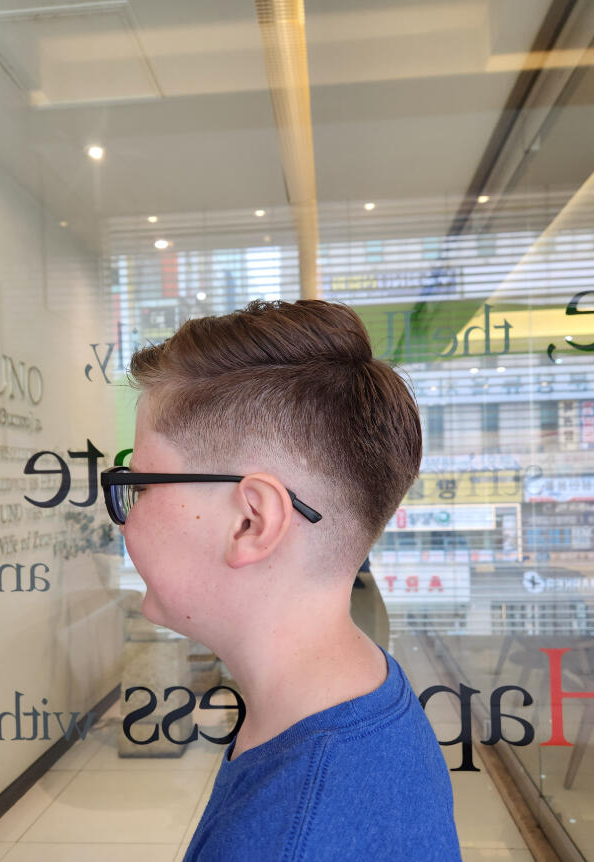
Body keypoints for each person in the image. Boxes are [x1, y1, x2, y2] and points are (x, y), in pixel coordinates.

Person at [101, 299, 461, 860]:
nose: (127, 509)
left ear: (252, 521)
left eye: (143, 482)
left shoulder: (289, 836)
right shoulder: (363, 691)